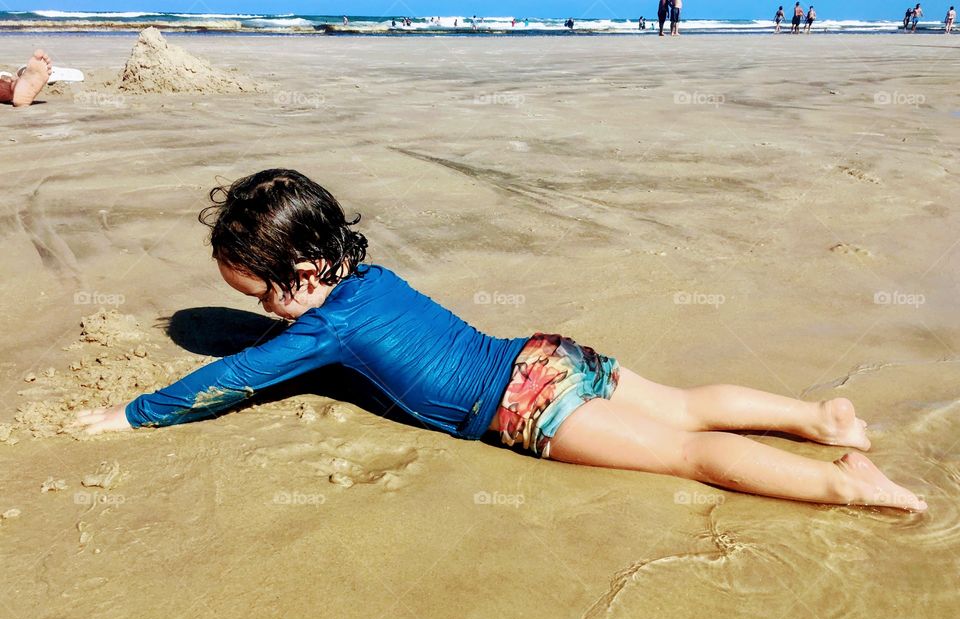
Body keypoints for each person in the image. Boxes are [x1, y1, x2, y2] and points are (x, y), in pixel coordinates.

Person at [75, 169, 927, 513]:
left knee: (690, 453)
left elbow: (235, 377)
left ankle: (850, 484)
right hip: (545, 352)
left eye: (262, 293)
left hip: (520, 403)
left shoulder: (325, 325)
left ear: (299, 269)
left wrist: (131, 415)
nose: (268, 313)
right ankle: (822, 417)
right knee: (691, 402)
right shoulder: (370, 281)